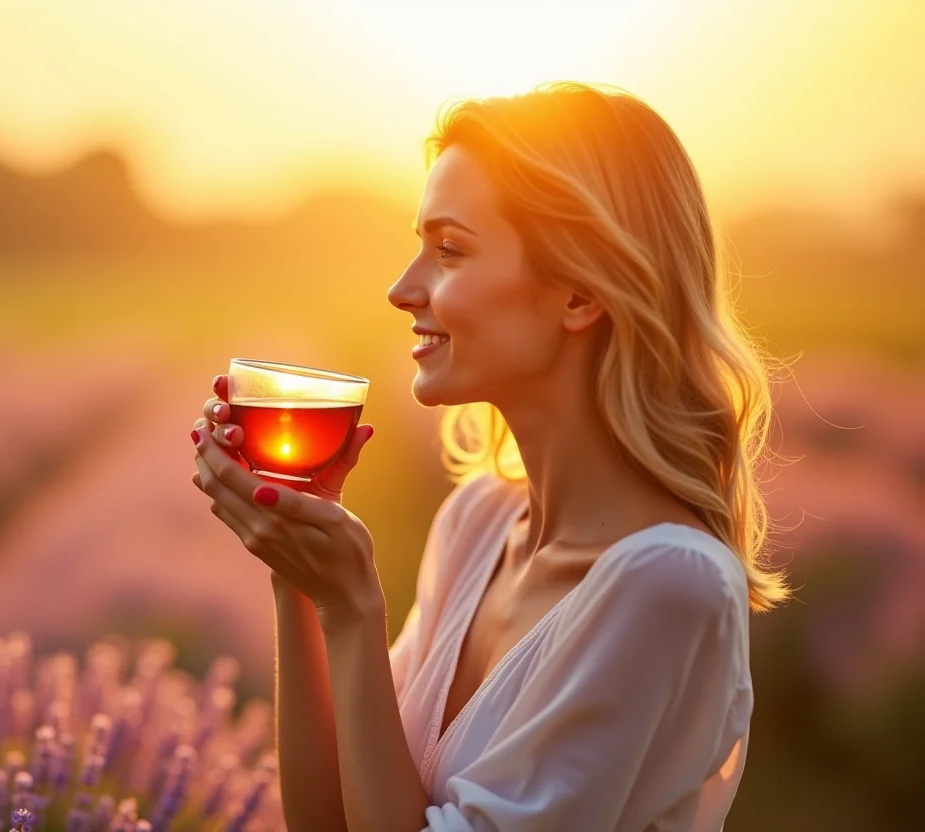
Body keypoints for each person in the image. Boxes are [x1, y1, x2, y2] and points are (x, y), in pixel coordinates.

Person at [190, 81, 791, 832]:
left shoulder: (669, 585)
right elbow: (329, 821)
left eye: (450, 250)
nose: (402, 289)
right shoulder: (477, 523)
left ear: (580, 293)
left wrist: (352, 607)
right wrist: (298, 573)